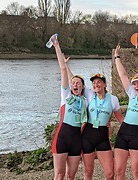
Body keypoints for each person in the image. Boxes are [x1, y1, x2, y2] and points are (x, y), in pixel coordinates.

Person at [51, 35, 88, 180]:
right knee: (59, 175)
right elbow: (62, 69)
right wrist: (57, 46)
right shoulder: (65, 95)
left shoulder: (85, 100)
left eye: (78, 83)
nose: (75, 85)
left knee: (71, 176)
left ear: (83, 86)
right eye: (74, 83)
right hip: (62, 138)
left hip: (76, 140)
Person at [114, 44, 138, 180]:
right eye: (134, 83)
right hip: (124, 131)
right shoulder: (131, 94)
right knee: (119, 170)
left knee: (136, 171)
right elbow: (122, 75)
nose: (136, 86)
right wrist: (117, 57)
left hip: (137, 134)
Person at [80, 72, 124, 180]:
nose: (96, 85)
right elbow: (76, 82)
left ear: (105, 84)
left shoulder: (113, 99)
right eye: (94, 83)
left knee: (110, 173)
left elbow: (121, 120)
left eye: (99, 82)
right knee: (88, 172)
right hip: (88, 135)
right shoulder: (90, 94)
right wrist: (65, 66)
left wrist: (134, 132)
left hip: (102, 137)